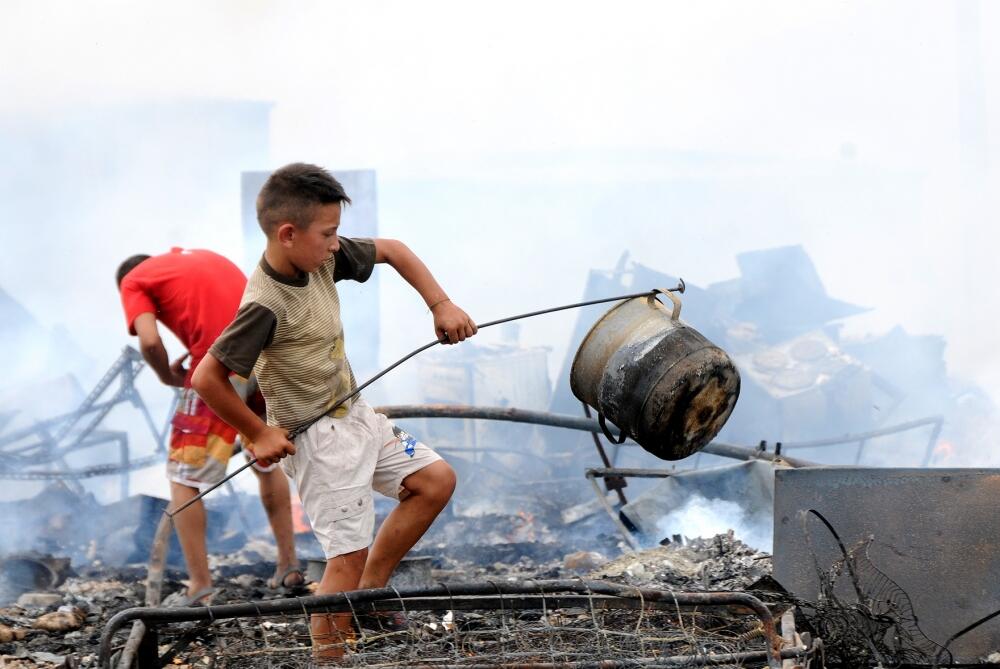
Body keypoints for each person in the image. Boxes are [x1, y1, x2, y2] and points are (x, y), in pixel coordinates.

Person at [192, 162, 475, 655]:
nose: (335, 244)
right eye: (327, 233)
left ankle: (370, 593)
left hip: (356, 415)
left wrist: (441, 305)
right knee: (344, 559)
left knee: (435, 481)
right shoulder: (264, 304)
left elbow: (393, 249)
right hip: (319, 443)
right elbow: (206, 379)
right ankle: (331, 657)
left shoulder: (319, 260)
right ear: (288, 234)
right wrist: (258, 432)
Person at [116, 248, 303, 605]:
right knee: (265, 456)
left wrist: (166, 375)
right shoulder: (193, 259)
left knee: (183, 477)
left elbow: (150, 341)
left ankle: (200, 586)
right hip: (266, 359)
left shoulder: (133, 279)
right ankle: (288, 566)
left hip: (219, 368)